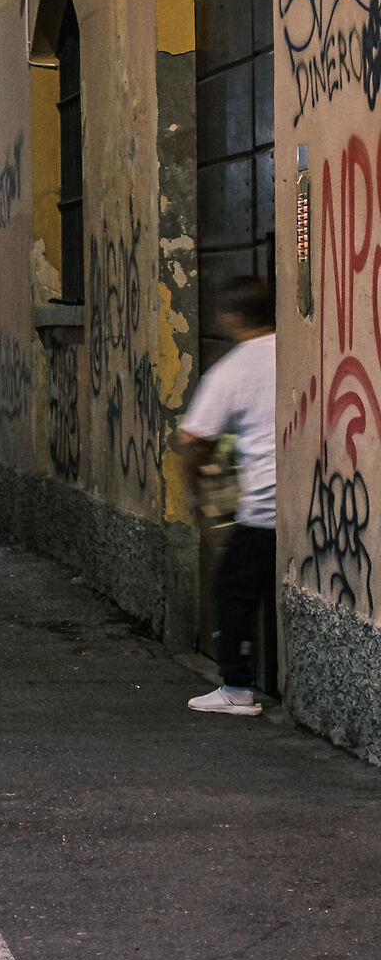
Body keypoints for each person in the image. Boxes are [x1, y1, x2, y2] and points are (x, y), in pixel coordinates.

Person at [179, 274, 277, 715]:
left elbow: (193, 441)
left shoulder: (232, 369)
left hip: (262, 508)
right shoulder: (294, 352)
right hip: (308, 507)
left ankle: (237, 688)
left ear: (233, 317)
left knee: (232, 590)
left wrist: (196, 494)